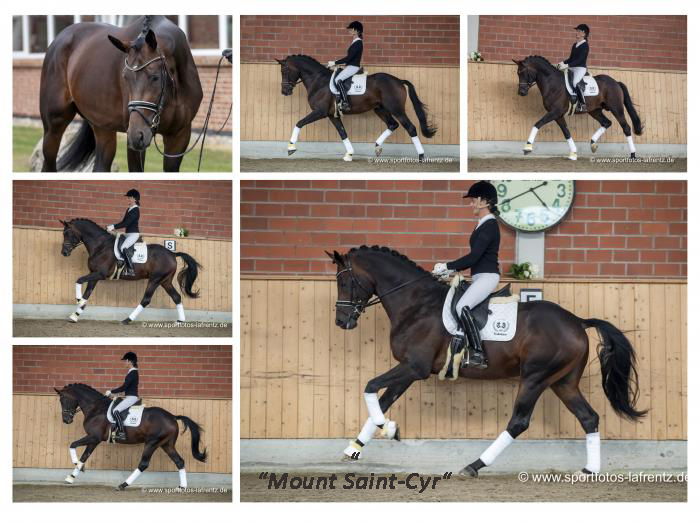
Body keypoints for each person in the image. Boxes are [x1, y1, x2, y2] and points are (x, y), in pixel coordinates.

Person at [433, 181, 501, 369]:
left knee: (462, 306)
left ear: (484, 201)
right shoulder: (482, 224)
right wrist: (448, 270)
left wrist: (447, 266)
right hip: (480, 276)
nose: (471, 204)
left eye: (473, 200)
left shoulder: (490, 225)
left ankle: (478, 353)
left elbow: (474, 257)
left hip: (488, 276)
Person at [327, 21, 364, 111]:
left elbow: (349, 58)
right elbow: (349, 59)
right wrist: (337, 63)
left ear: (355, 30)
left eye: (351, 29)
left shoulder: (358, 43)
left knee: (338, 80)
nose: (349, 31)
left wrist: (335, 62)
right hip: (350, 66)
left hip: (353, 67)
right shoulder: (355, 42)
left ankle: (345, 102)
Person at [105, 352, 140, 441]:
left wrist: (111, 391)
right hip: (129, 396)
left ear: (129, 361)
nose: (124, 363)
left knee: (116, 410)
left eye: (125, 361)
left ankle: (121, 433)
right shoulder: (132, 372)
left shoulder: (133, 373)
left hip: (132, 397)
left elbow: (124, 387)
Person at [107, 189, 140, 275]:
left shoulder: (136, 210)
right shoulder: (129, 209)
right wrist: (113, 227)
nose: (128, 199)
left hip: (133, 234)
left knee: (123, 247)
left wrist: (113, 226)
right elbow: (123, 222)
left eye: (129, 198)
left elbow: (126, 223)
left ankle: (130, 269)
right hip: (127, 234)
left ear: (134, 199)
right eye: (128, 198)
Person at [558, 24, 590, 111]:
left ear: (584, 34)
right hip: (572, 67)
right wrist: (563, 62)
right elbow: (571, 58)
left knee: (575, 82)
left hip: (580, 68)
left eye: (579, 31)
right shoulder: (574, 45)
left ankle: (582, 104)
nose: (577, 33)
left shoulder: (585, 45)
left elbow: (580, 60)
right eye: (577, 31)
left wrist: (568, 65)